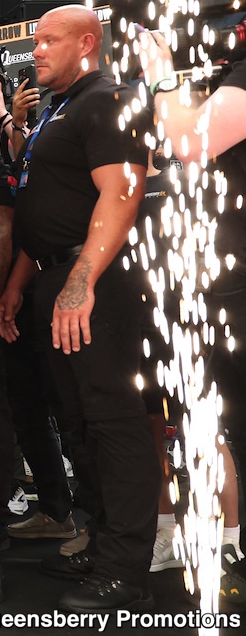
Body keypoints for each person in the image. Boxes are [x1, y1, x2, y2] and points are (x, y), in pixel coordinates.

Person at [0, 5, 158, 613]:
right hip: (53, 274)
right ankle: (102, 537)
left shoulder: (109, 98)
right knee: (79, 421)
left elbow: (121, 192)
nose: (35, 51)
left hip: (98, 280)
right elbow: (45, 207)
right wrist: (19, 282)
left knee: (111, 419)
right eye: (35, 40)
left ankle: (126, 570)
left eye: (48, 40)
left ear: (87, 43)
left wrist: (82, 279)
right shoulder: (59, 108)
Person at [139, 31, 246, 604]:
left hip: (221, 298)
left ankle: (229, 540)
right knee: (168, 420)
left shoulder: (196, 131)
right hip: (179, 298)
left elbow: (190, 140)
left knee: (216, 427)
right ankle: (168, 535)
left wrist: (161, 72)